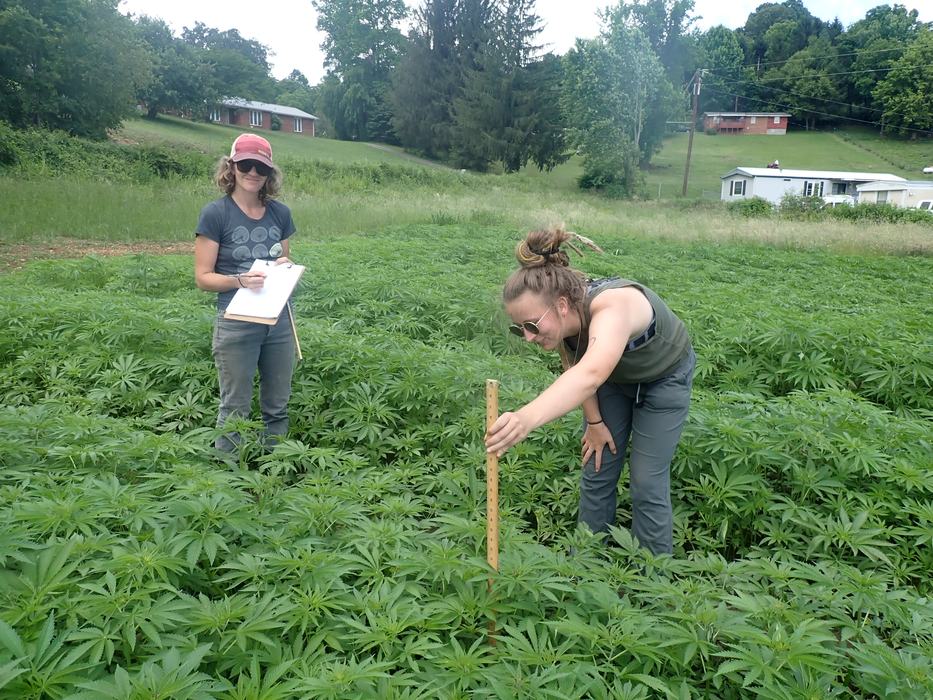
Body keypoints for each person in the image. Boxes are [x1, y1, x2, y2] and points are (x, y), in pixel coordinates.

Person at [484, 227, 695, 554]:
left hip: (663, 379)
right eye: (519, 328)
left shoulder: (613, 305)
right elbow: (575, 365)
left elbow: (591, 372)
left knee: (646, 481)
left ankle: (654, 581)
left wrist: (525, 418)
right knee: (596, 467)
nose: (528, 337)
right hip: (611, 382)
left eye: (531, 325)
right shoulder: (560, 325)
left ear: (563, 304)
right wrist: (595, 424)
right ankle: (584, 563)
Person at [194, 133, 298, 452]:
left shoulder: (280, 213)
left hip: (278, 320)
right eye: (246, 165)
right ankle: (228, 481)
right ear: (232, 167)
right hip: (236, 320)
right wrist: (240, 280)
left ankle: (273, 470)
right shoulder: (216, 214)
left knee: (277, 406)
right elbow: (203, 277)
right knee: (234, 408)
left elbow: (283, 257)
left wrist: (284, 264)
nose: (253, 173)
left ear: (270, 174)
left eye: (261, 167)